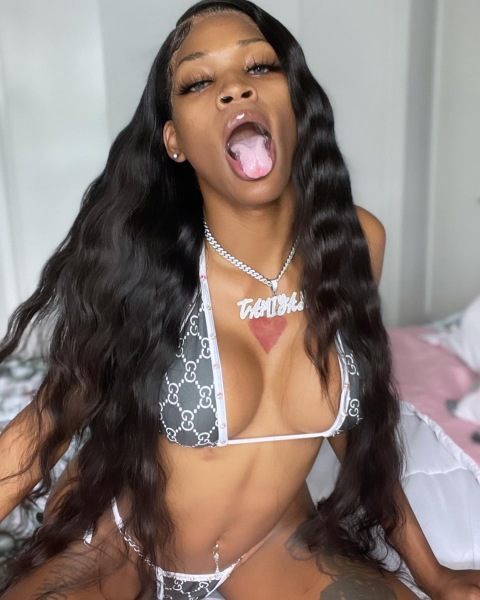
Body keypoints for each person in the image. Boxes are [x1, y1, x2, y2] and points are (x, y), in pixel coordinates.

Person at [0, 1, 479, 598]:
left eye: (259, 67)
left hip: (271, 543)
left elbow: (348, 417)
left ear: (295, 101)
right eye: (199, 81)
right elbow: (46, 422)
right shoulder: (144, 262)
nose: (234, 88)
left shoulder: (355, 245)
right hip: (120, 537)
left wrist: (434, 575)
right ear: (174, 140)